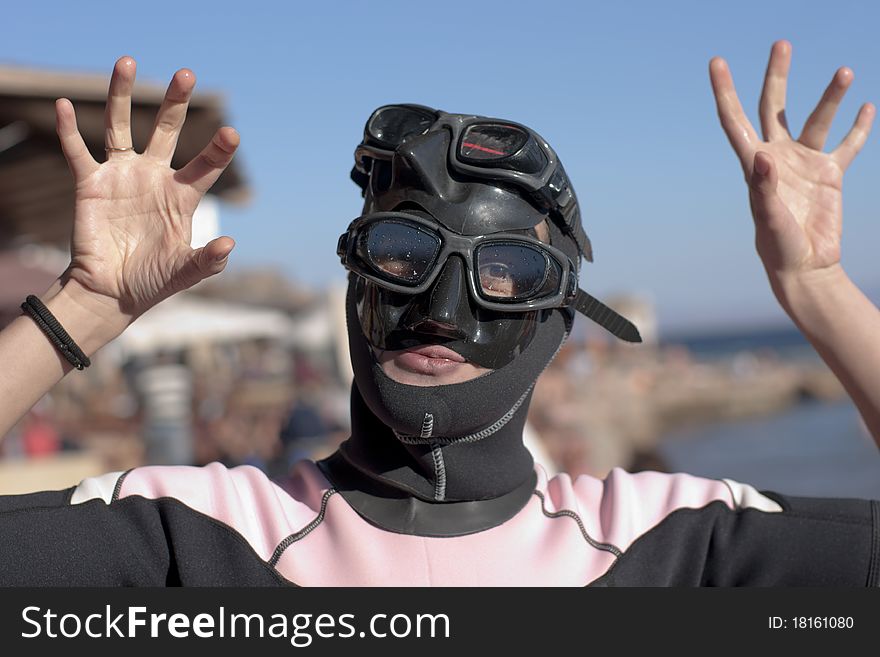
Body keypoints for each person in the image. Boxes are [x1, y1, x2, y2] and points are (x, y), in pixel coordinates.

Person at [0, 41, 878, 586]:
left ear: (558, 315)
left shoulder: (674, 546)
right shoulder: (199, 534)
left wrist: (819, 289)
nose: (442, 312)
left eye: (507, 271)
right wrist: (81, 306)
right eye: (404, 256)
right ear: (356, 278)